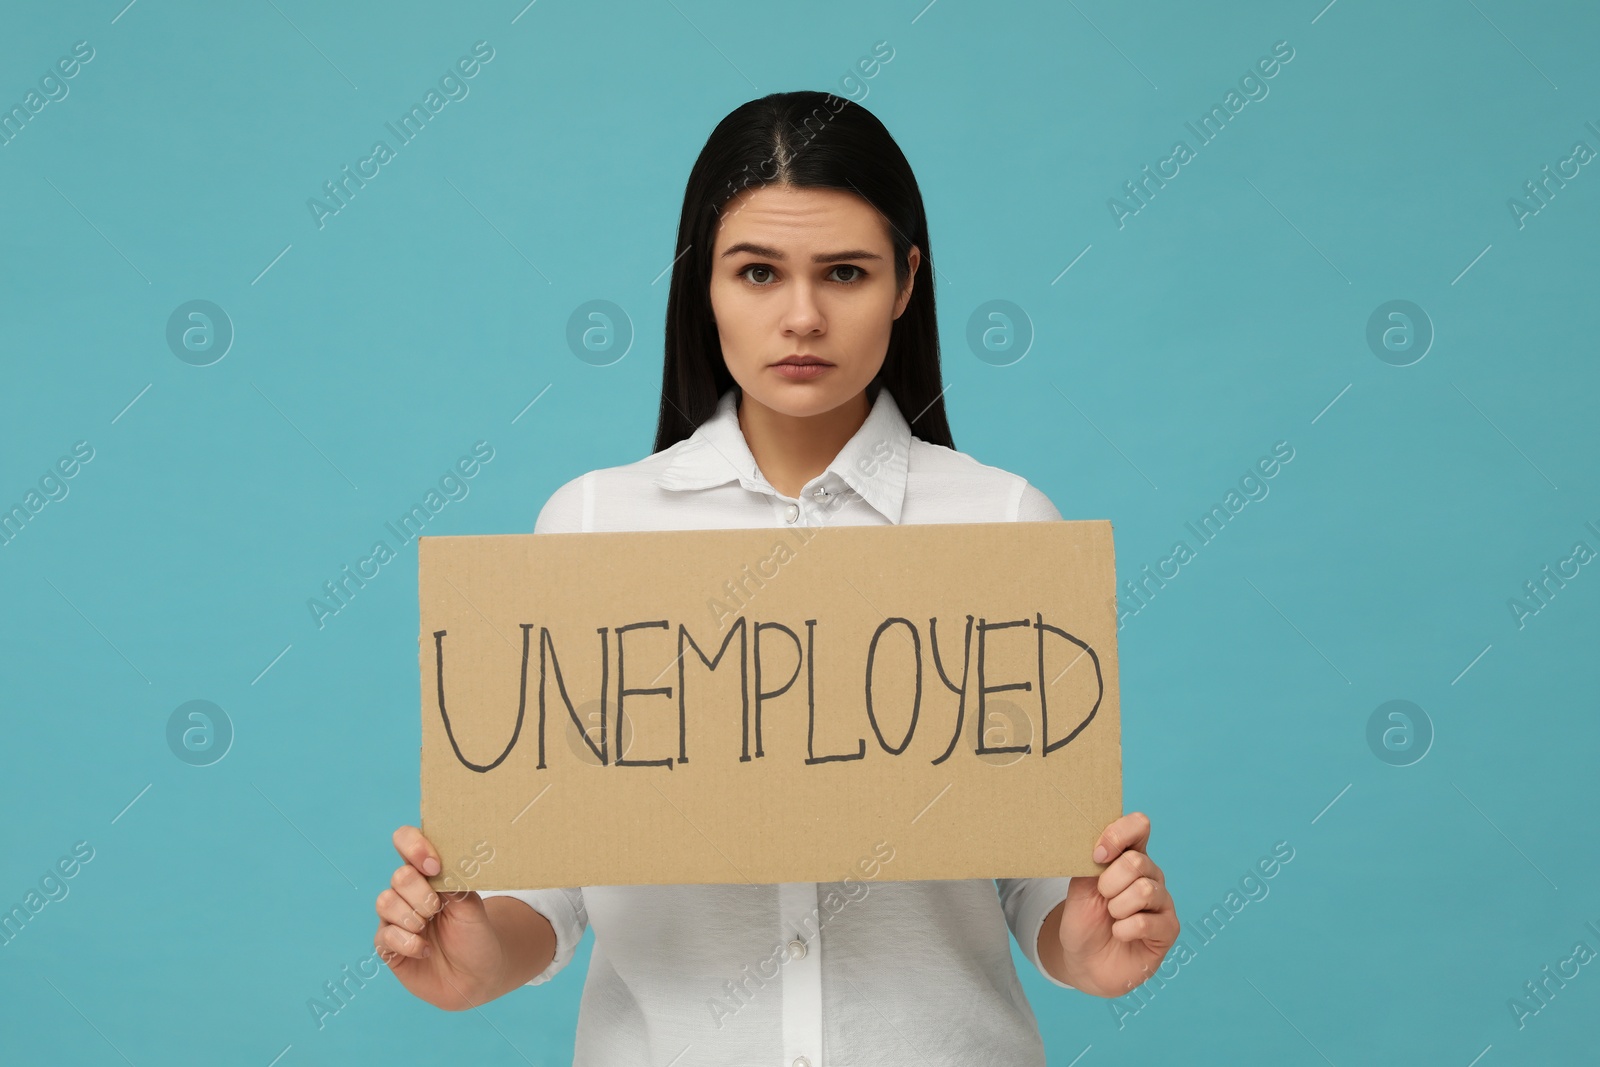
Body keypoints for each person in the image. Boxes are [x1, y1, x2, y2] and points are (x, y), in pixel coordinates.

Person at [376, 90, 1178, 1065]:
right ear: (701, 283)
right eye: (757, 272)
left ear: (905, 281)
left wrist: (1089, 947)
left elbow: (1034, 881)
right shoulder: (591, 524)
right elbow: (559, 882)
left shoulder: (1004, 523)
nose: (801, 316)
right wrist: (476, 957)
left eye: (845, 271)